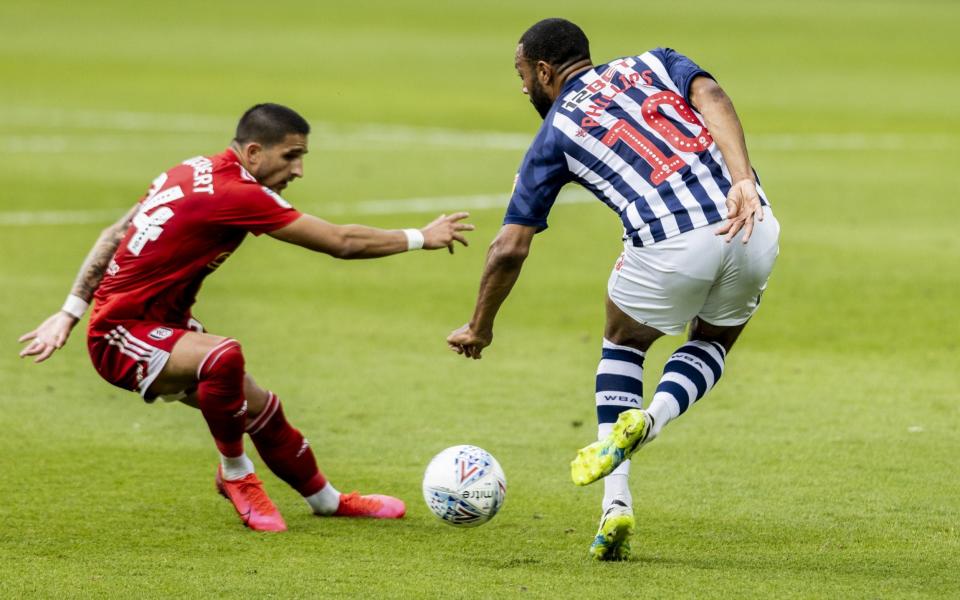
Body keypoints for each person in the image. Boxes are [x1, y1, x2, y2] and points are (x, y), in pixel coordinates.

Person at [19, 103, 474, 532]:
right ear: (254, 152)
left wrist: (68, 311)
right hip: (121, 334)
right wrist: (421, 236)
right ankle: (236, 475)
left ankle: (327, 501)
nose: (298, 169)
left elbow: (113, 233)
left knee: (262, 409)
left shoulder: (190, 168)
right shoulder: (237, 193)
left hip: (164, 326)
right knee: (222, 357)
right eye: (291, 156)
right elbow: (341, 241)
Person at [447, 19, 780, 560]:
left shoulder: (552, 134)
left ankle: (616, 503)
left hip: (671, 243)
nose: (523, 85)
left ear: (545, 71)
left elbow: (509, 247)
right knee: (714, 340)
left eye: (522, 73)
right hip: (753, 223)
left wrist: (479, 326)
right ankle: (653, 419)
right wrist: (742, 179)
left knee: (624, 342)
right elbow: (713, 93)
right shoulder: (654, 61)